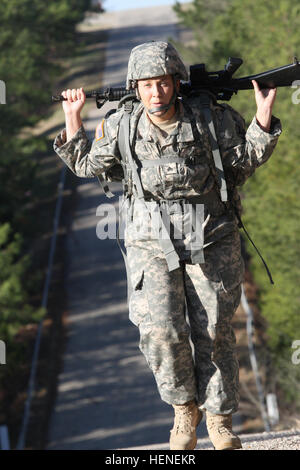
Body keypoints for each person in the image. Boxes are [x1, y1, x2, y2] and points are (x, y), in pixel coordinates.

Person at [53, 41, 281, 450]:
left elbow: (243, 162)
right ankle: (183, 412)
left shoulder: (210, 118)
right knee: (161, 331)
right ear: (134, 88)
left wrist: (263, 116)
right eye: (145, 85)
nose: (155, 92)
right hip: (151, 245)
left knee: (213, 330)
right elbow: (88, 165)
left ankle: (219, 419)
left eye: (162, 83)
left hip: (210, 238)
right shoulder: (123, 125)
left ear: (177, 83)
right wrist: (74, 120)